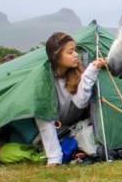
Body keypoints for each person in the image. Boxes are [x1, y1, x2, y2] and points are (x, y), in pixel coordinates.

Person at [38, 32, 106, 166]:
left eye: (75, 50)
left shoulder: (77, 72)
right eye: (70, 52)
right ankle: (53, 153)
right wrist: (54, 159)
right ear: (56, 56)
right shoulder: (45, 78)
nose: (76, 55)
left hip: (71, 126)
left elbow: (80, 102)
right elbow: (44, 118)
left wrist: (92, 70)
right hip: (48, 127)